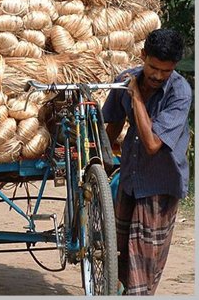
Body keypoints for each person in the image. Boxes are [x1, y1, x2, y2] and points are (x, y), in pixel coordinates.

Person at [102, 28, 191, 295]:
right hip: (130, 179)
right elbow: (114, 126)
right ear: (143, 56)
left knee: (144, 259)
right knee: (118, 252)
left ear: (174, 67)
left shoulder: (180, 93)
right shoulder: (124, 81)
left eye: (165, 71)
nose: (157, 76)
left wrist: (137, 97)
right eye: (153, 67)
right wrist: (101, 161)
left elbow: (153, 144)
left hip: (159, 185)